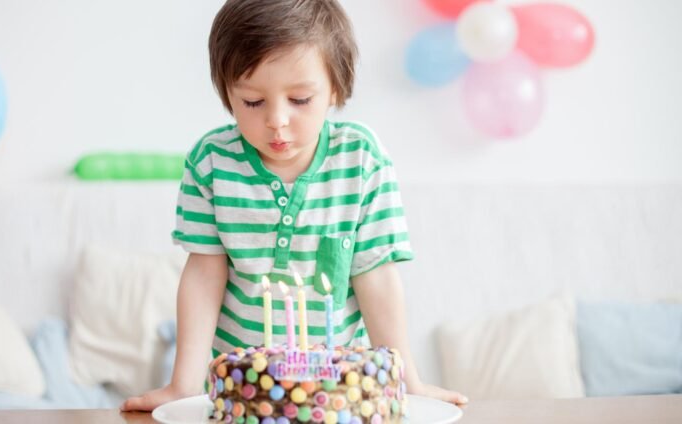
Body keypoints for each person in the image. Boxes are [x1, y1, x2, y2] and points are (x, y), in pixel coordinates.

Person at [122, 0, 467, 412]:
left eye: (300, 99)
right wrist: (183, 384)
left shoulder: (362, 159)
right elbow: (203, 272)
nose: (277, 120)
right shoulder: (211, 162)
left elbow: (375, 274)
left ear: (336, 88)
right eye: (252, 102)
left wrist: (406, 380)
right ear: (227, 93)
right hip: (243, 391)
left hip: (337, 392)